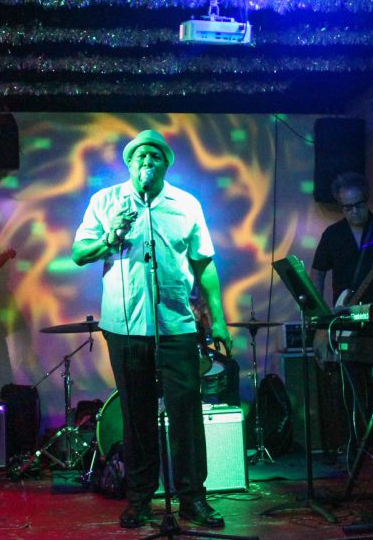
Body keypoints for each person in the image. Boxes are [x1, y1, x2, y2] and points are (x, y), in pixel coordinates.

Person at [72, 129, 231, 530]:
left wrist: (220, 319)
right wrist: (111, 237)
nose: (146, 162)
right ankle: (140, 498)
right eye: (139, 156)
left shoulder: (185, 204)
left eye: (154, 157)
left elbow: (204, 264)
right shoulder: (106, 201)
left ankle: (193, 499)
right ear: (129, 164)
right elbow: (78, 253)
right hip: (124, 325)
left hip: (176, 324)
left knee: (186, 414)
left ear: (165, 164)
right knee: (136, 415)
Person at [311, 171, 373, 362]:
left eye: (359, 205)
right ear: (340, 206)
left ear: (366, 199)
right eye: (347, 207)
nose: (354, 211)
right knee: (347, 375)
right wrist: (320, 316)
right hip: (346, 318)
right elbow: (318, 271)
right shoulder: (332, 234)